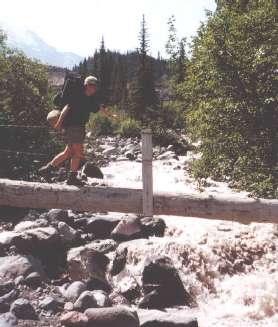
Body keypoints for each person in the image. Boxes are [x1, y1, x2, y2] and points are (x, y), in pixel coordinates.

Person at [38, 75, 113, 186]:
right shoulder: (78, 96)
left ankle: (47, 169)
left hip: (79, 128)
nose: (94, 88)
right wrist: (59, 123)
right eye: (92, 86)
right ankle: (71, 178)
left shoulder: (90, 99)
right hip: (73, 127)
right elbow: (65, 109)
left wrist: (110, 115)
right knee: (78, 153)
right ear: (86, 85)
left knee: (68, 152)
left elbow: (99, 108)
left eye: (95, 87)